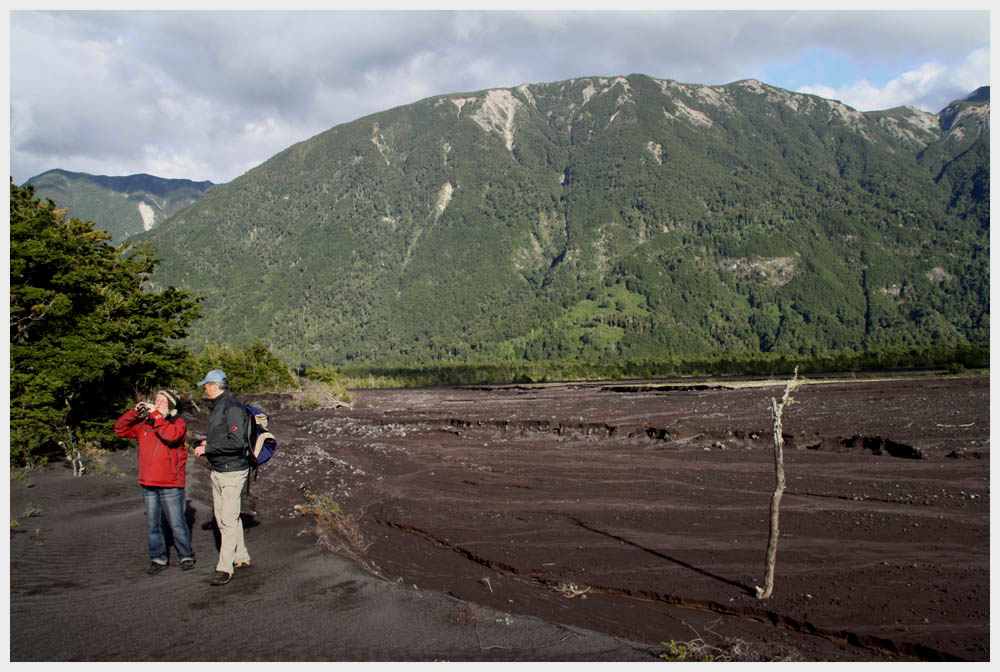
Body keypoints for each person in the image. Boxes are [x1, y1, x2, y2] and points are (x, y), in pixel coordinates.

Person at [114, 389, 195, 574]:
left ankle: (186, 555)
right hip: (148, 482)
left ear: (172, 405)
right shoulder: (145, 424)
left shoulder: (177, 422)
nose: (157, 404)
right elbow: (120, 430)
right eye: (156, 400)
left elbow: (171, 437)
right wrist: (135, 412)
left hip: (170, 483)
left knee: (176, 522)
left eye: (162, 401)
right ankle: (158, 558)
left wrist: (157, 416)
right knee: (153, 524)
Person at [192, 369, 251, 586]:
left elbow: (237, 442)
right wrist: (210, 445)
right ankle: (242, 556)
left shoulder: (231, 407)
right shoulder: (220, 406)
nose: (205, 389)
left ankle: (224, 568)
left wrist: (209, 449)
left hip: (232, 471)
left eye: (206, 386)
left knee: (226, 519)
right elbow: (224, 435)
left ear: (215, 386)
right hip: (221, 469)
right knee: (227, 516)